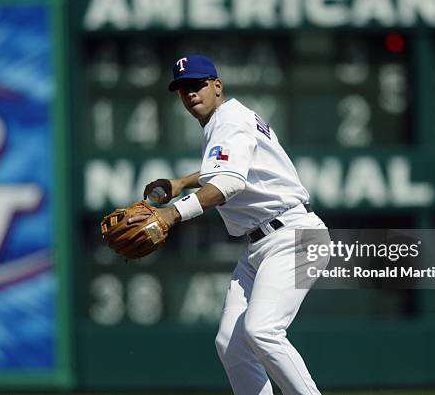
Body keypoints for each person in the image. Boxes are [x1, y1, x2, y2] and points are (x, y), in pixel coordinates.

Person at [135, 54, 329, 395]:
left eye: (197, 85)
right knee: (231, 344)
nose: (190, 93)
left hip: (293, 237)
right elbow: (230, 167)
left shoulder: (228, 122)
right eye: (182, 89)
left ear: (217, 86)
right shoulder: (229, 120)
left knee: (263, 331)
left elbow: (229, 184)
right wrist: (182, 182)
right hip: (261, 244)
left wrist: (171, 214)